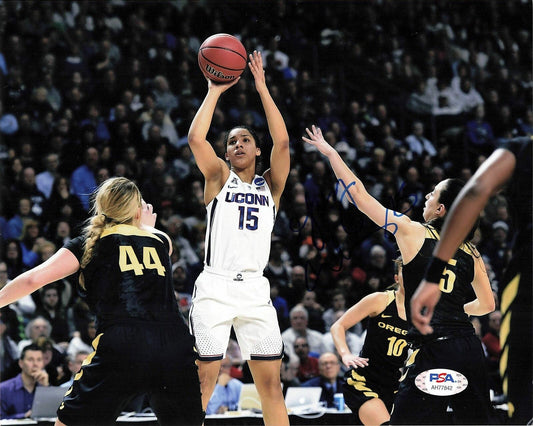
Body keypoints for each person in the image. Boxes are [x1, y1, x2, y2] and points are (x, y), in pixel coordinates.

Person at [302, 125, 495, 424]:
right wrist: (455, 310)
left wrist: (331, 154)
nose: (427, 197)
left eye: (432, 194)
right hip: (468, 347)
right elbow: (487, 306)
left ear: (441, 209)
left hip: (434, 349)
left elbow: (361, 198)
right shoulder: (471, 251)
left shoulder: (411, 230)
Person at [0, 177, 204, 425]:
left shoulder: (88, 244)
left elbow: (33, 281)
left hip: (123, 345)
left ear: (101, 208)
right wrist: (146, 227)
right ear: (137, 210)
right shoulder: (161, 240)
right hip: (175, 346)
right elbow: (159, 241)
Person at [187, 50, 290, 426]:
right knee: (203, 379)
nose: (238, 145)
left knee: (271, 387)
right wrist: (215, 90)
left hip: (255, 291)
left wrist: (261, 87)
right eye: (232, 142)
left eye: (245, 140)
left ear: (256, 149)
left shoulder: (271, 186)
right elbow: (196, 138)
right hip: (215, 286)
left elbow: (282, 143)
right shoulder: (217, 176)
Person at [412, 136, 532, 424]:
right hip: (461, 341)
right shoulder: (473, 255)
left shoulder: (523, 148)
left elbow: (476, 190)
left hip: (527, 275)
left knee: (524, 395)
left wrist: (433, 276)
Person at [331, 258, 408, 425]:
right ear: (396, 278)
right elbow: (338, 326)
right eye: (406, 271)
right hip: (364, 381)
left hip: (396, 385)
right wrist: (345, 354)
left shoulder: (424, 312)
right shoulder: (380, 300)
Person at [0, 343, 49, 419]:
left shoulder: (46, 387)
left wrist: (45, 388)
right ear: (21, 363)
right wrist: (24, 416)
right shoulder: (3, 389)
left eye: (39, 360)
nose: (35, 364)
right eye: (30, 360)